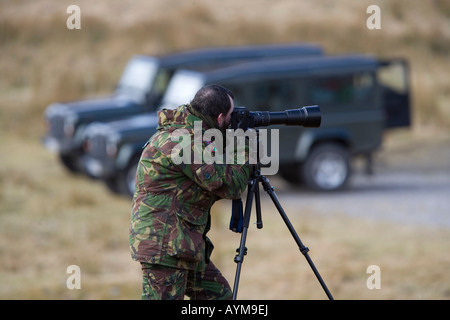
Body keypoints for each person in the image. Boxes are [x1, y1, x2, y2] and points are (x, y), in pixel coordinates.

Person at [129, 84, 251, 300]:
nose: (232, 121)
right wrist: (242, 147)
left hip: (182, 243)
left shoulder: (191, 133)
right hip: (165, 244)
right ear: (220, 117)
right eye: (231, 116)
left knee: (219, 297)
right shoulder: (186, 140)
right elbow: (231, 186)